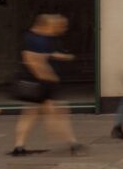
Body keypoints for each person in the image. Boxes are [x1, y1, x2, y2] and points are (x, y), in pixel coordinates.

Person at [10, 14, 85, 156]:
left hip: (39, 83)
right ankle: (72, 143)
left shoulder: (42, 38)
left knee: (33, 114)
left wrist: (62, 56)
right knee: (57, 113)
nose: (60, 29)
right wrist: (50, 78)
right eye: (56, 26)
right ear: (45, 25)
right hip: (39, 84)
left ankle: (19, 146)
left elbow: (45, 55)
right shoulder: (33, 39)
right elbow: (33, 61)